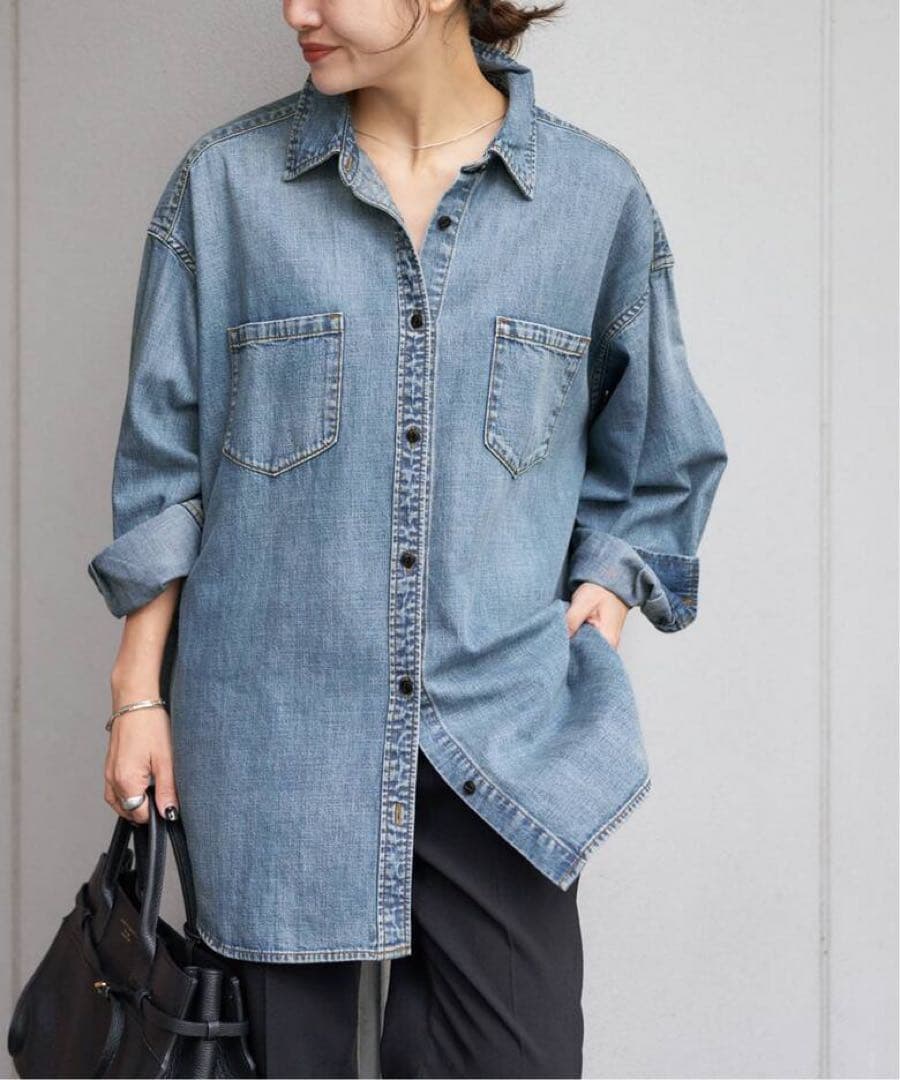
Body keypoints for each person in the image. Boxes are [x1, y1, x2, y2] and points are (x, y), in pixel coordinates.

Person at [86, 1, 729, 1076]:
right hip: (276, 745)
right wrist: (136, 694)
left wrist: (608, 596)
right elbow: (163, 471)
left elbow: (660, 452)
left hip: (500, 745)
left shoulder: (593, 201)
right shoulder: (227, 189)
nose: (295, 11)